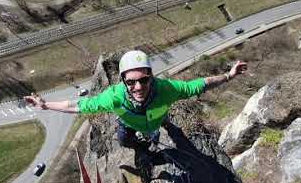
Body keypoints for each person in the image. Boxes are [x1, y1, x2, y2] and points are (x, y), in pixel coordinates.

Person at [24, 50, 247, 150]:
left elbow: (198, 84)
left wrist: (229, 76)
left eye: (143, 79)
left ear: (151, 76)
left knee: (155, 131)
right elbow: (77, 105)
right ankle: (144, 143)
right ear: (123, 80)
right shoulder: (114, 97)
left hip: (156, 121)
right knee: (125, 141)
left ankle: (158, 131)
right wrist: (45, 105)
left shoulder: (166, 89)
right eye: (130, 82)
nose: (138, 86)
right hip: (129, 124)